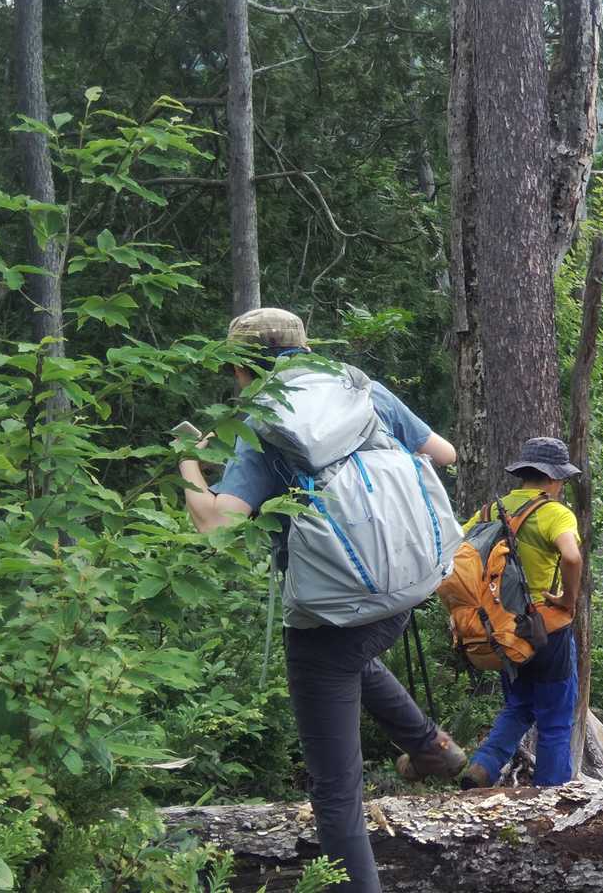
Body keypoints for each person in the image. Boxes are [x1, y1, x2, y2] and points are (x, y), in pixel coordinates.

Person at [178, 308, 473, 893]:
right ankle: (431, 748)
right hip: (407, 587)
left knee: (336, 793)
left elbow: (215, 524)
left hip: (329, 614)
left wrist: (186, 459)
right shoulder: (362, 391)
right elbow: (445, 454)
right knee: (353, 658)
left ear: (239, 368)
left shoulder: (264, 423)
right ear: (306, 350)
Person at [450, 436, 586, 788]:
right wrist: (568, 600)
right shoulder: (554, 512)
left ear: (524, 474)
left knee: (519, 706)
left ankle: (483, 766)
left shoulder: (488, 512)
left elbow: (453, 551)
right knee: (555, 717)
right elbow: (572, 557)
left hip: (504, 630)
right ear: (554, 477)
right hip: (547, 628)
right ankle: (551, 795)